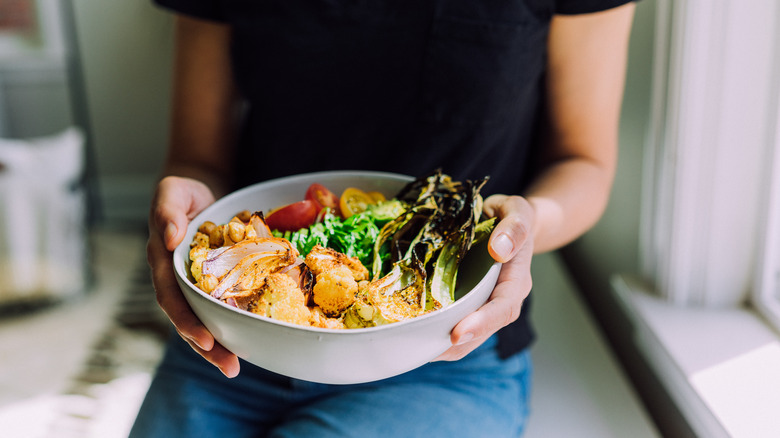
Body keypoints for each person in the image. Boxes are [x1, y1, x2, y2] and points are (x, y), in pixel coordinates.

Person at [132, 1, 636, 437]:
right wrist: (186, 212)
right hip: (237, 341)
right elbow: (198, 157)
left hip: (443, 357)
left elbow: (582, 162)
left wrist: (525, 226)